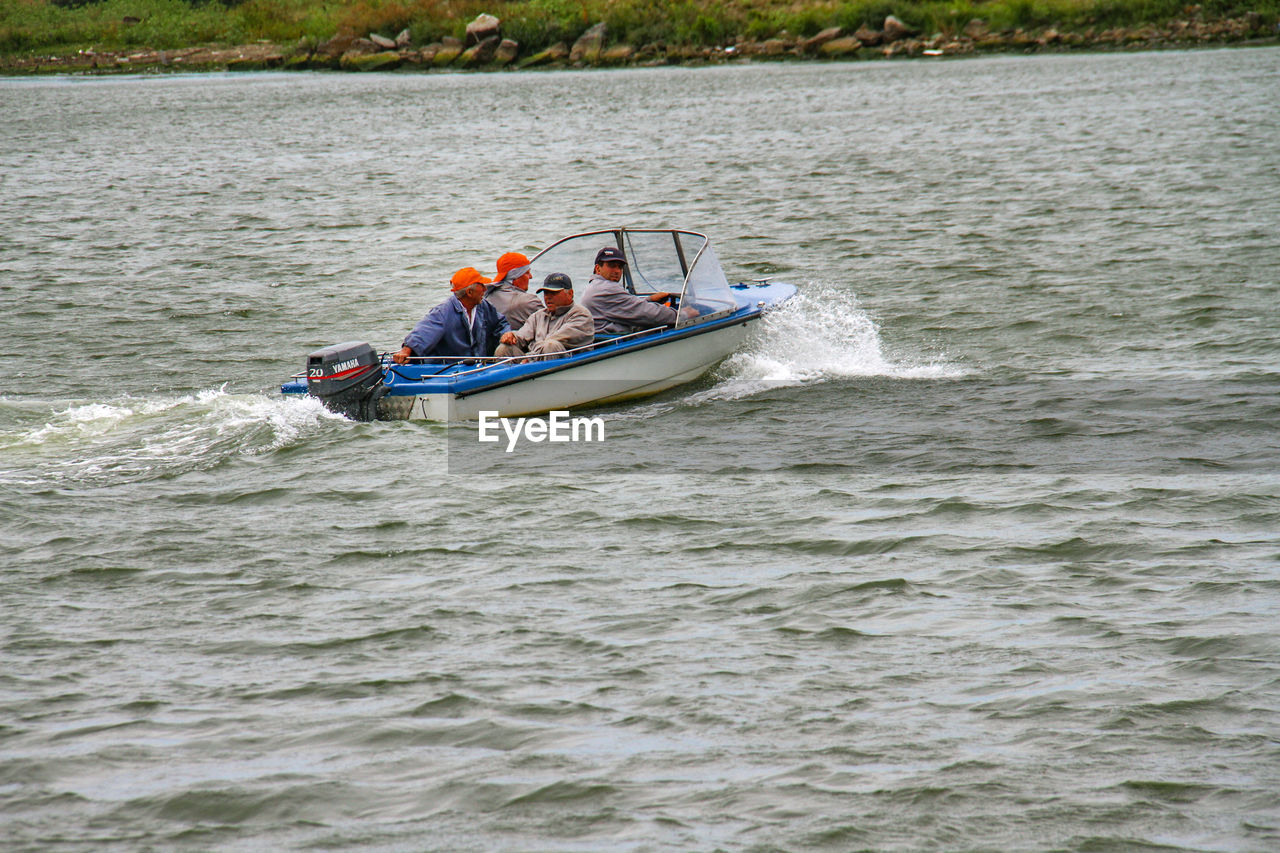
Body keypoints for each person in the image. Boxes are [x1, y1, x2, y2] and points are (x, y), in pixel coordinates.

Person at [392, 267, 510, 364]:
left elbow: (500, 323)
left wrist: (507, 333)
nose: (485, 289)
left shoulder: (483, 306)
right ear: (469, 292)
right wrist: (406, 351)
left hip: (478, 365)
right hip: (451, 369)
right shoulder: (443, 312)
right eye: (481, 286)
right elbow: (423, 331)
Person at [578, 246, 680, 335]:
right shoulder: (605, 288)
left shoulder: (594, 286)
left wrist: (649, 299)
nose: (617, 271)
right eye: (611, 265)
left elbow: (627, 307)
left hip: (606, 340)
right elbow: (646, 313)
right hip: (615, 344)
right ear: (598, 268)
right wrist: (682, 315)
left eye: (620, 267)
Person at [494, 273, 595, 361]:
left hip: (569, 366)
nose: (548, 297)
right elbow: (522, 335)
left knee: (551, 346)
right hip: (535, 362)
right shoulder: (538, 315)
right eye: (546, 293)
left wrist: (529, 359)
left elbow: (556, 340)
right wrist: (511, 336)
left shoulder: (581, 314)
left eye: (554, 292)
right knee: (505, 348)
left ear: (570, 293)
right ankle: (504, 381)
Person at [485, 251, 542, 329]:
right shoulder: (529, 301)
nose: (531, 276)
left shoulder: (487, 296)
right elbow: (550, 325)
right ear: (516, 276)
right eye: (527, 273)